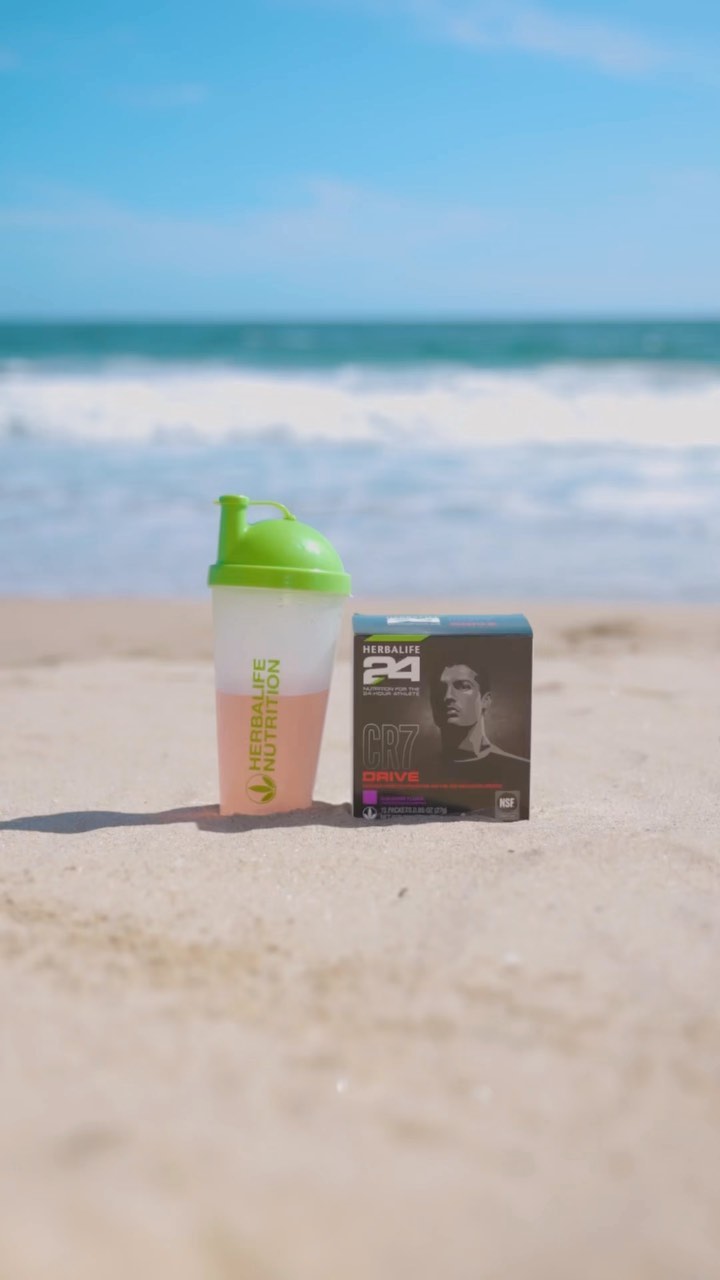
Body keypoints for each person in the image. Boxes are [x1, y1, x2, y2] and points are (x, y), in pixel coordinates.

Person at [427, 656, 529, 793]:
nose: (448, 696)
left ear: (485, 700)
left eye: (463, 686)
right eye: (440, 688)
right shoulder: (420, 773)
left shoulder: (519, 772)